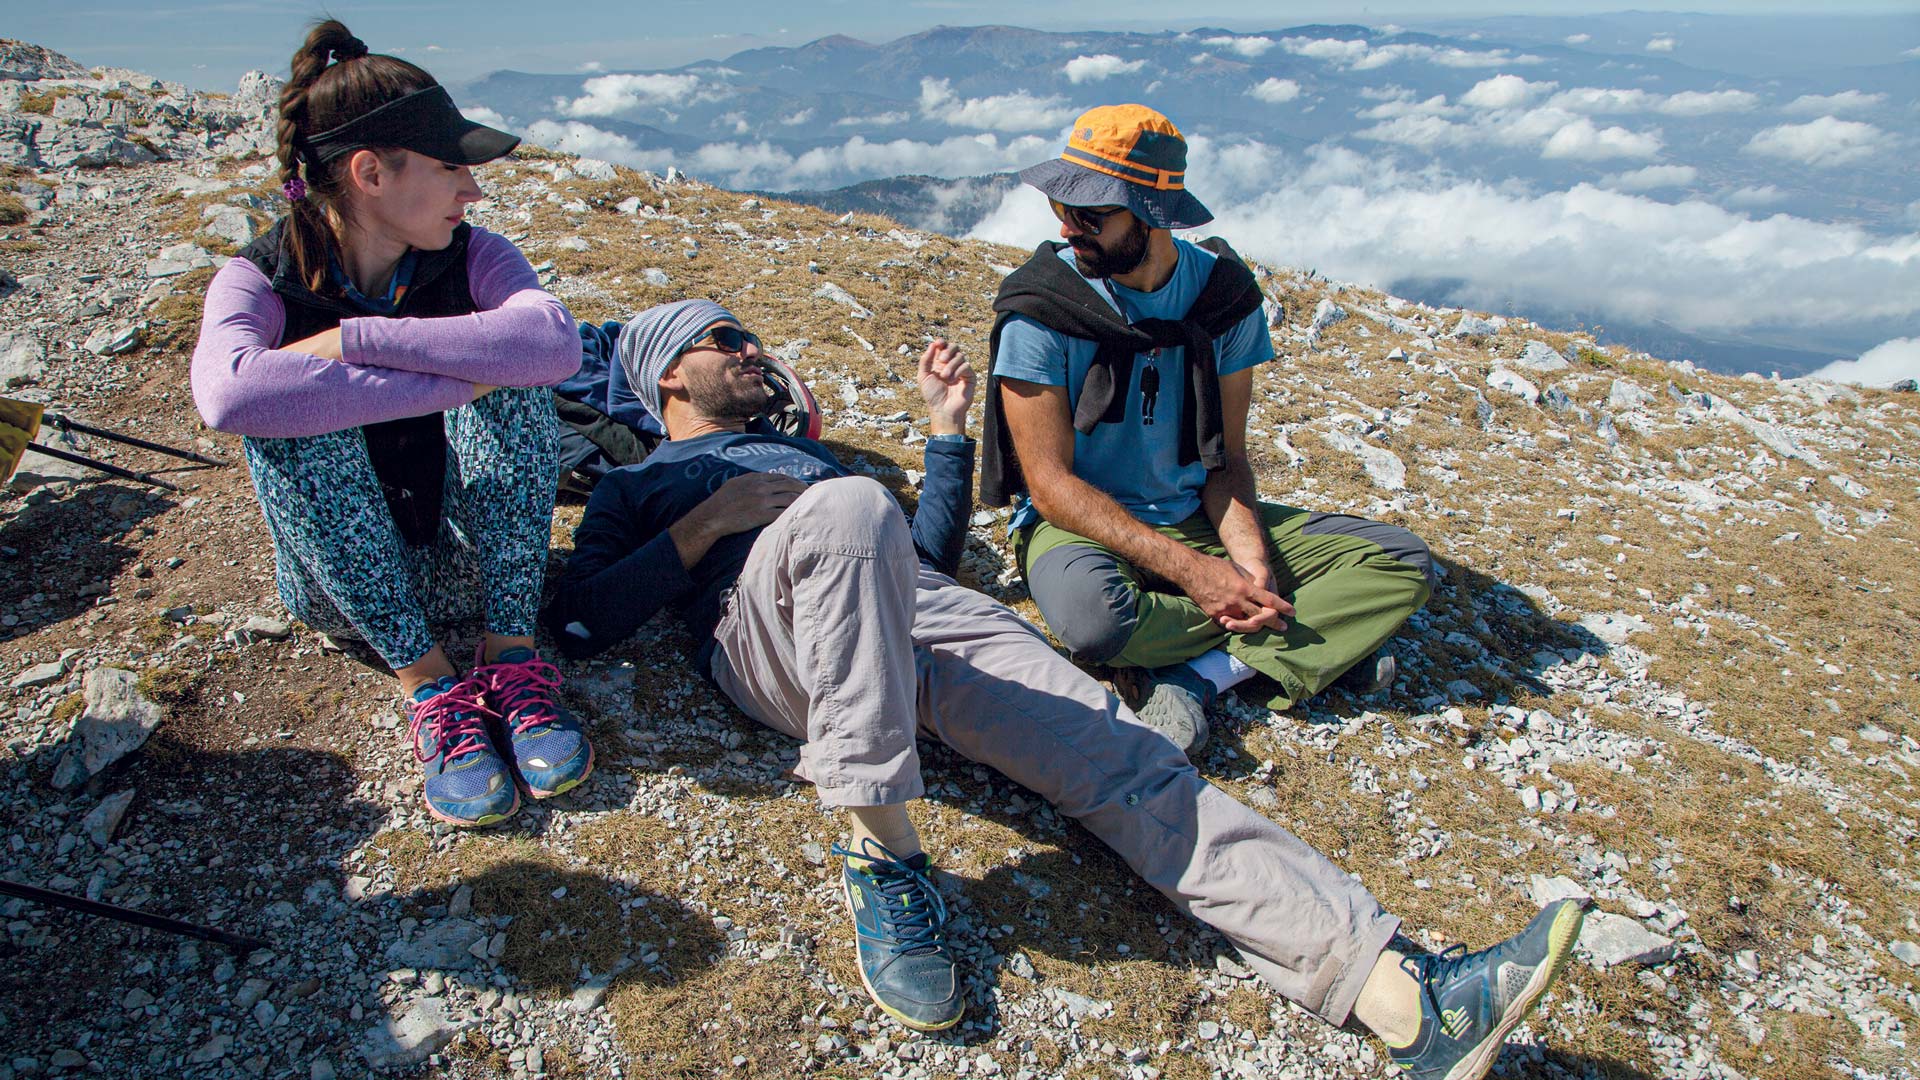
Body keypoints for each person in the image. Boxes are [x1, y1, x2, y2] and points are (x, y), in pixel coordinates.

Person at [546, 299, 1587, 1079]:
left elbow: (926, 559)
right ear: (666, 380)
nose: (750, 350)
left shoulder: (811, 458)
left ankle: (1401, 996)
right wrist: (707, 523)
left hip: (922, 613)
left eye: (749, 338)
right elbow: (584, 619)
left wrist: (947, 432)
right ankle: (882, 847)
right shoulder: (645, 485)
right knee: (851, 510)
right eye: (723, 341)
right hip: (769, 639)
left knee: (1124, 757)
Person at [190, 19, 592, 827]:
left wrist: (355, 341)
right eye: (451, 168)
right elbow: (228, 398)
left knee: (513, 381)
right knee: (289, 416)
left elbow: (553, 343)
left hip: (469, 570)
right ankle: (429, 684)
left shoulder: (470, 255)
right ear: (371, 172)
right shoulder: (258, 277)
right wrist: (450, 384)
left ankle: (511, 656)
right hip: (343, 594)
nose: (471, 192)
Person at [985, 105, 1440, 754]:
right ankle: (1303, 639)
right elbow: (1051, 486)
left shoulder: (1224, 298)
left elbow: (1223, 458)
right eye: (1061, 206)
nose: (1068, 227)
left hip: (1196, 511)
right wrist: (1199, 574)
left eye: (1089, 214)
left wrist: (1249, 565)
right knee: (1094, 623)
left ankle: (1199, 677)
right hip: (1079, 524)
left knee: (1401, 561)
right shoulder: (1041, 307)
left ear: (1153, 213)